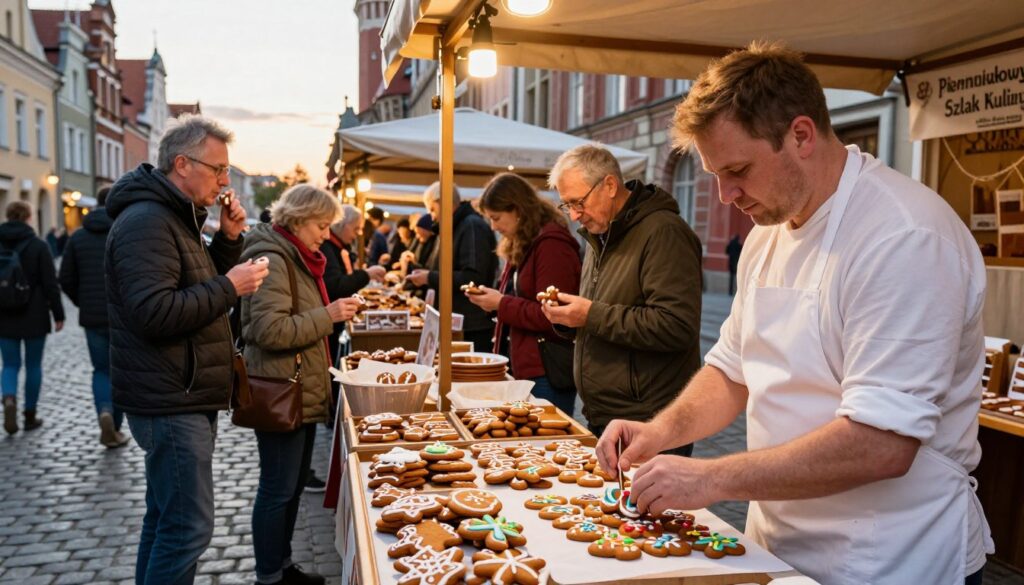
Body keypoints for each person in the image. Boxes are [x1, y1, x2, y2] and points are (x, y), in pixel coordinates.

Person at [597, 41, 993, 585]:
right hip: (776, 542)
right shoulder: (767, 233)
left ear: (801, 135)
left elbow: (881, 445)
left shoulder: (905, 236)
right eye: (715, 174)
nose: (726, 194)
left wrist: (710, 478)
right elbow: (732, 370)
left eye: (737, 169)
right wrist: (659, 431)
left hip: (890, 554)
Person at [105, 114, 269, 584]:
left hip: (182, 391)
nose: (225, 180)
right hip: (170, 397)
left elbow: (193, 287)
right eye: (218, 169)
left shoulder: (174, 217)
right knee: (187, 528)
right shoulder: (147, 222)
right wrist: (231, 287)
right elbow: (154, 313)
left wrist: (228, 239)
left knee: (165, 521)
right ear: (182, 164)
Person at [541, 144, 703, 451]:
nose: (575, 215)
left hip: (649, 423)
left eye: (578, 202)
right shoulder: (599, 235)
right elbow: (607, 311)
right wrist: (569, 318)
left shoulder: (664, 232)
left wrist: (590, 315)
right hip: (606, 417)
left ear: (610, 186)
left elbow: (675, 325)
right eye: (566, 205)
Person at [239, 185, 362, 585]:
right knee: (277, 489)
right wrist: (328, 315)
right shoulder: (274, 258)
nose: (326, 234)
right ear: (298, 218)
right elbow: (267, 330)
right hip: (280, 389)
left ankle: (282, 565)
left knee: (289, 488)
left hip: (298, 386)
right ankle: (269, 575)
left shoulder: (295, 255)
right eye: (322, 225)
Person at [466, 173, 582, 414]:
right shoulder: (526, 241)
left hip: (546, 372)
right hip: (527, 367)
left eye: (496, 218)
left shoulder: (552, 245)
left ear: (517, 209)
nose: (493, 227)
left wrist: (501, 303)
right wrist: (495, 302)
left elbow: (554, 316)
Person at [59, 187, 128, 448]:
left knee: (100, 370)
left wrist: (82, 301)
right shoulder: (123, 231)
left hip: (92, 317)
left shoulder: (78, 237)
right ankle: (116, 427)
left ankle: (104, 411)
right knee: (120, 371)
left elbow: (65, 278)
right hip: (121, 316)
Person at [407, 181, 498, 351]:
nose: (431, 216)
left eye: (432, 209)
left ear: (444, 202)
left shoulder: (471, 226)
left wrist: (429, 277)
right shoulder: (455, 226)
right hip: (460, 321)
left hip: (471, 325)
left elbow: (472, 278)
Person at [0, 201, 64, 435]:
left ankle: (8, 398)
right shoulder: (38, 245)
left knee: (9, 364)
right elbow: (50, 283)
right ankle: (29, 415)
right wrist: (58, 314)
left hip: (3, 314)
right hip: (34, 313)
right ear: (28, 217)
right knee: (33, 365)